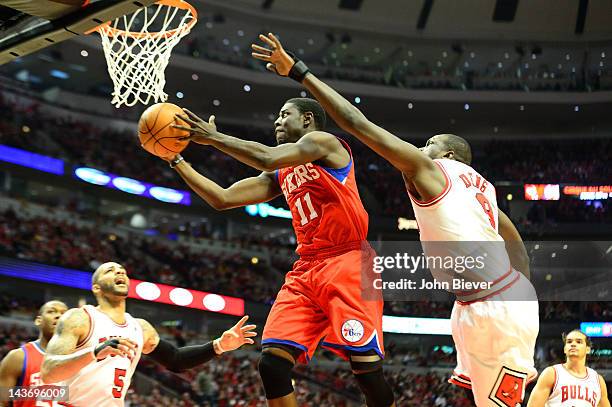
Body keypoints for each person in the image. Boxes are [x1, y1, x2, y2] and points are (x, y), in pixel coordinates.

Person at [251, 32, 539, 407]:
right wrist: (524, 290)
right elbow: (513, 237)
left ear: (447, 154)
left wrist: (300, 72)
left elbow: (357, 123)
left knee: (504, 403)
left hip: (496, 302)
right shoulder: (482, 187)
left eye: (429, 143)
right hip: (479, 301)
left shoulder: (430, 168)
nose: (421, 148)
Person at [167, 99, 396, 406]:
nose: (277, 120)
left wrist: (213, 137)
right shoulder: (282, 172)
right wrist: (177, 161)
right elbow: (222, 199)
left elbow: (264, 156)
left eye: (285, 114)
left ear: (307, 119)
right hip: (307, 268)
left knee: (366, 372)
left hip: (348, 260)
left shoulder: (324, 142)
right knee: (272, 364)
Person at [40, 262, 256, 406]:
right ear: (96, 288)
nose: (119, 272)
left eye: (122, 270)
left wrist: (219, 345)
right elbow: (49, 372)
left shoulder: (140, 328)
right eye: (110, 270)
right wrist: (95, 352)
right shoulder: (80, 318)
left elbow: (176, 360)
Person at [0, 300, 68, 407]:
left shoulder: (79, 358)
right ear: (38, 321)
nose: (59, 316)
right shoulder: (18, 357)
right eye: (51, 311)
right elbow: (3, 401)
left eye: (64, 313)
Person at [527, 329, 610, 407]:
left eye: (579, 342)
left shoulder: (598, 380)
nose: (573, 344)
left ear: (587, 349)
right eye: (569, 342)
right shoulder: (552, 373)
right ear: (565, 349)